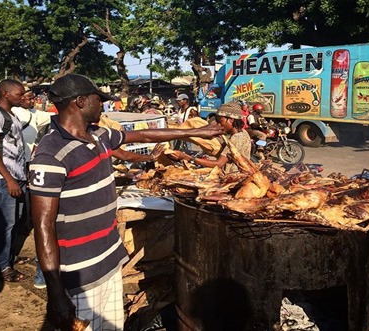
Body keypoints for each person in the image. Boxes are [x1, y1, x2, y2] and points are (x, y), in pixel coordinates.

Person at [28, 74, 224, 331]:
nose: (104, 106)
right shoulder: (50, 153)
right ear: (80, 101)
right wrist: (55, 292)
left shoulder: (98, 135)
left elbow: (144, 135)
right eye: (99, 100)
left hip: (108, 258)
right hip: (79, 272)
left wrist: (194, 132)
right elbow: (43, 225)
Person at [0, 79, 29, 282]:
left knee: (15, 221)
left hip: (17, 176)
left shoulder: (11, 115)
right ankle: (2, 268)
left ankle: (7, 258)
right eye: (19, 94)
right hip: (3, 178)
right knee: (5, 224)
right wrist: (9, 180)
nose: (23, 96)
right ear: (5, 94)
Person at [11, 88, 53, 289]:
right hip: (13, 169)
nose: (33, 100)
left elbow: (55, 115)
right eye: (28, 98)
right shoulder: (15, 114)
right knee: (15, 216)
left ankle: (10, 255)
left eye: (33, 97)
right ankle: (5, 262)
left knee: (27, 210)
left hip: (28, 166)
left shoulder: (36, 114)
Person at [168, 101, 252, 173]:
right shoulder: (244, 133)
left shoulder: (236, 138)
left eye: (221, 121)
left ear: (231, 120)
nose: (219, 124)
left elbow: (219, 164)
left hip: (234, 178)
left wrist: (188, 158)